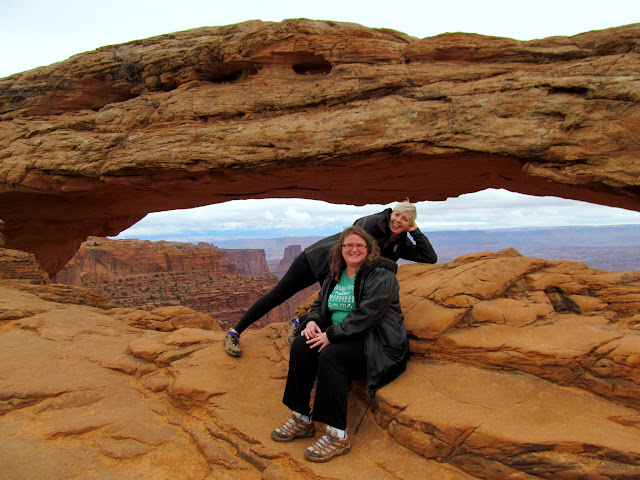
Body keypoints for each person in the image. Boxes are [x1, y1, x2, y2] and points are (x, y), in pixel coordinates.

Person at [223, 199, 437, 356]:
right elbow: (356, 245)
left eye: (405, 219)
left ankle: (296, 323)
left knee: (336, 307)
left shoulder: (400, 242)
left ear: (409, 224)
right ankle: (235, 332)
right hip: (316, 259)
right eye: (397, 215)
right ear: (391, 213)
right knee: (278, 295)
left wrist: (416, 231)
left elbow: (429, 256)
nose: (398, 220)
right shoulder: (373, 222)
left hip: (338, 271)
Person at [270, 226, 409, 462]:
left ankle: (337, 434)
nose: (354, 249)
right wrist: (313, 322)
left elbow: (369, 314)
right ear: (341, 249)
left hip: (375, 343)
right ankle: (301, 418)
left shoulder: (381, 275)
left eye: (359, 246)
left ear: (369, 249)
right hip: (342, 337)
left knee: (330, 356)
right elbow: (318, 305)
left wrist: (331, 335)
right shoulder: (335, 275)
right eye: (348, 245)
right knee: (302, 346)